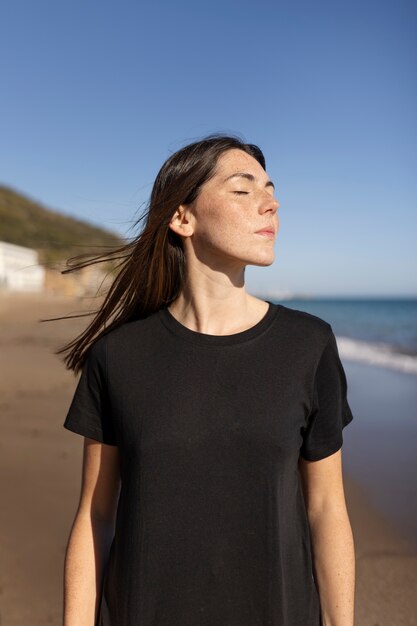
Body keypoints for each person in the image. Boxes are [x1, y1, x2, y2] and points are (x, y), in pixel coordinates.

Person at [60, 134, 355, 626]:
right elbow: (95, 515)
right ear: (183, 218)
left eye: (270, 188)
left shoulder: (309, 345)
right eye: (244, 190)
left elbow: (326, 508)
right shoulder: (118, 357)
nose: (271, 202)